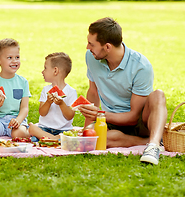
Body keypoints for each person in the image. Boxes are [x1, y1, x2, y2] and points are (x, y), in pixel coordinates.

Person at [77, 17, 167, 165]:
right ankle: (147, 141)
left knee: (158, 95)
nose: (87, 47)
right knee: (96, 139)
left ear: (107, 47)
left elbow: (132, 117)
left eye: (91, 44)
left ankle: (153, 146)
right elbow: (93, 93)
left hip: (139, 122)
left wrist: (100, 114)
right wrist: (87, 129)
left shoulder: (141, 66)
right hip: (109, 121)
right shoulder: (92, 57)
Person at [28, 52, 77, 141]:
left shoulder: (71, 92)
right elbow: (42, 113)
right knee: (32, 128)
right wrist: (48, 102)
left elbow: (70, 116)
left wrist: (62, 104)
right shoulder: (45, 90)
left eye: (45, 68)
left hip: (63, 130)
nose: (42, 71)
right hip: (45, 128)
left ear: (55, 71)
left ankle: (48, 139)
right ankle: (55, 139)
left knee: (34, 139)